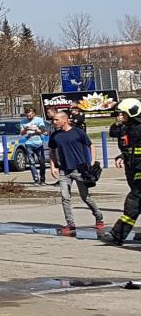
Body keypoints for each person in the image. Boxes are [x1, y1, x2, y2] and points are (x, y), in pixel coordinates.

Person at [47, 107, 106, 237]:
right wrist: (53, 166)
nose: (54, 122)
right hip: (64, 170)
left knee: (85, 197)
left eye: (56, 119)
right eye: (53, 120)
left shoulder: (78, 132)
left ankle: (99, 216)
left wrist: (92, 162)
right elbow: (52, 151)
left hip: (79, 169)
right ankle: (70, 223)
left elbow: (91, 145)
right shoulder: (55, 136)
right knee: (65, 197)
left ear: (64, 120)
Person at [102, 98, 141, 245]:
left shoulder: (138, 128)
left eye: (123, 113)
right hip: (133, 168)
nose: (120, 115)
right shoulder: (130, 127)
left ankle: (117, 235)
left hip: (139, 170)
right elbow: (130, 148)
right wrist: (123, 155)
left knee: (133, 202)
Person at [18, 104, 48, 185]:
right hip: (29, 144)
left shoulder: (39, 120)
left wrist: (36, 130)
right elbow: (22, 133)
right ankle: (35, 178)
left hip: (38, 143)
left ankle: (42, 179)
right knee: (32, 162)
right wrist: (26, 129)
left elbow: (43, 130)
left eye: (30, 115)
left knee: (42, 161)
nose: (28, 117)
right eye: (27, 115)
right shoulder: (23, 121)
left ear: (34, 114)